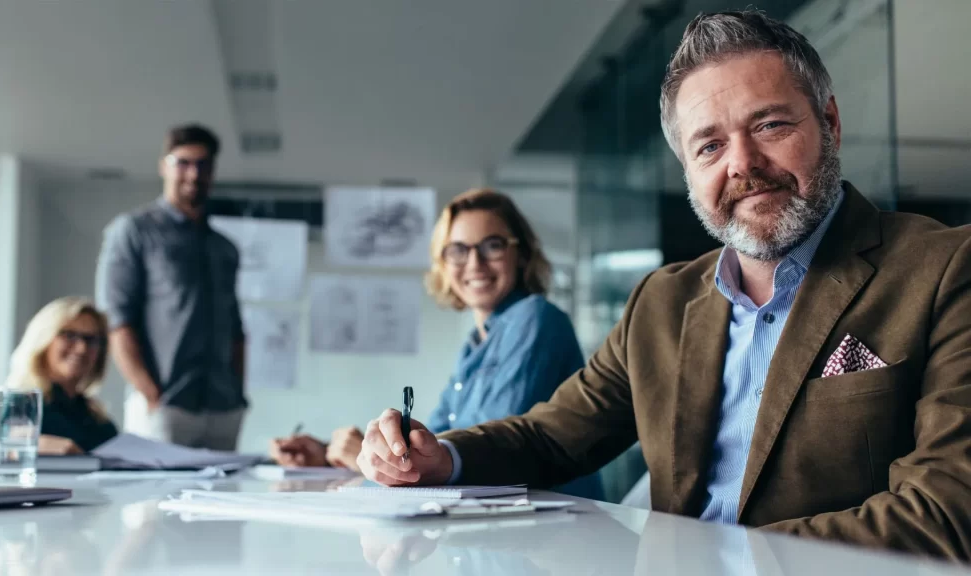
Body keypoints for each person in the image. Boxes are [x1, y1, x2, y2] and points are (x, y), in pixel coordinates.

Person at [354, 10, 971, 560]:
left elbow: (948, 512)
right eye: (709, 146)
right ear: (687, 169)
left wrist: (724, 562)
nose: (742, 164)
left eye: (771, 125)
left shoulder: (943, 268)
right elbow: (551, 436)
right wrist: (443, 457)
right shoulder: (660, 302)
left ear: (829, 123)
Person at [271, 189, 603, 499]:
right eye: (458, 250)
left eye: (493, 245)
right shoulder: (475, 342)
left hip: (555, 532)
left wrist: (379, 456)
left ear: (521, 254)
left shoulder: (534, 318)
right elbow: (437, 442)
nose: (474, 263)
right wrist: (341, 453)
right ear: (443, 263)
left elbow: (490, 449)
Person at [96, 124, 247, 450]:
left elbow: (236, 328)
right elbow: (118, 320)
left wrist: (239, 394)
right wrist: (151, 394)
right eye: (183, 162)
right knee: (153, 502)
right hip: (166, 406)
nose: (194, 174)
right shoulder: (133, 231)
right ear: (164, 166)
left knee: (224, 500)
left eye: (203, 165)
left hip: (224, 407)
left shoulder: (225, 247)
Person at [0, 297, 117, 465]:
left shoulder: (97, 419)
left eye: (91, 339)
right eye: (69, 335)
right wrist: (31, 444)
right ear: (44, 339)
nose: (82, 348)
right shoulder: (21, 403)